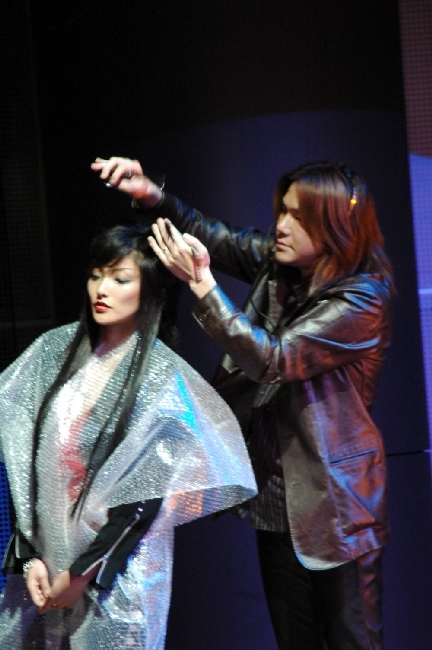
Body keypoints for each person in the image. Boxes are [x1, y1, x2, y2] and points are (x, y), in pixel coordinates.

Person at [91, 156, 395, 650]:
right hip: (276, 504)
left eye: (299, 216)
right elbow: (215, 237)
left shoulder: (362, 299)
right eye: (283, 211)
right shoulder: (281, 266)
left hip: (336, 509)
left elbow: (274, 359)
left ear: (335, 226)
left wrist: (202, 285)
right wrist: (151, 194)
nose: (282, 225)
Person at [0, 223, 257, 650]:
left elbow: (143, 498)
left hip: (117, 575)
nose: (102, 289)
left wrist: (81, 574)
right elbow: (23, 461)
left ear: (150, 289)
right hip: (47, 562)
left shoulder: (162, 377)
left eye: (120, 279)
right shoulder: (53, 351)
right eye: (96, 275)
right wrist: (29, 558)